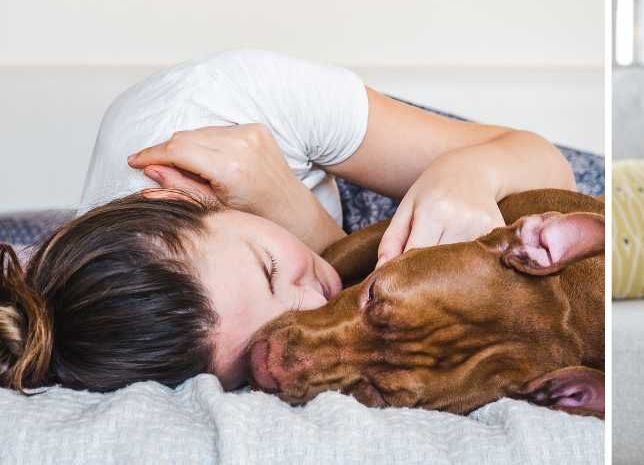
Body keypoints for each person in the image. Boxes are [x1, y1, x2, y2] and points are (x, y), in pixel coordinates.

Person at [0, 48, 576, 395]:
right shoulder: (115, 336)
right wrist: (291, 212)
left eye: (271, 270)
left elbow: (551, 168)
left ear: (182, 203)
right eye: (261, 350)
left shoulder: (225, 100)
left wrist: (467, 175)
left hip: (467, 169)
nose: (310, 308)